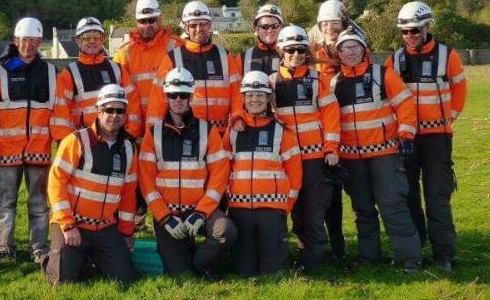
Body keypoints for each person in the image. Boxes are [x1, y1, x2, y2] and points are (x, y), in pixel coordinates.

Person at [333, 27, 423, 272]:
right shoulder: (333, 83)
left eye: (355, 47)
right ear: (338, 53)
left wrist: (406, 136)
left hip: (384, 154)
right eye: (345, 48)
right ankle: (368, 257)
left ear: (364, 50)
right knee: (362, 208)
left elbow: (405, 104)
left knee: (392, 204)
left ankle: (410, 259)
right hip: (351, 157)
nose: (350, 52)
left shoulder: (383, 74)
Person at [387, 1, 467, 272]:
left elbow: (459, 91)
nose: (410, 35)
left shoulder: (447, 56)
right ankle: (416, 247)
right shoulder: (395, 60)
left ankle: (444, 253)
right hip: (405, 138)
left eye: (415, 30)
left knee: (437, 196)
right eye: (405, 31)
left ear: (427, 27)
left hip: (437, 138)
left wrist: (447, 119)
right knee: (407, 195)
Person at [139, 68, 236, 280]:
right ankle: (189, 262)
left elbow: (219, 175)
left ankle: (200, 263)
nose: (178, 100)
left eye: (183, 95)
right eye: (173, 95)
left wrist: (201, 212)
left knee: (225, 231)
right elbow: (146, 182)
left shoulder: (206, 130)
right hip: (169, 214)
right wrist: (164, 217)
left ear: (191, 96)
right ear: (166, 96)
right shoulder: (153, 133)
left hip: (200, 210)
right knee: (180, 275)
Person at [0, 17, 56, 263]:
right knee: (4, 202)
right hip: (5, 150)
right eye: (24, 40)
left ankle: (39, 249)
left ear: (40, 42)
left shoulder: (52, 73)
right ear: (16, 41)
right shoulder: (1, 72)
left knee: (39, 205)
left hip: (39, 149)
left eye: (33, 41)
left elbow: (59, 110)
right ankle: (4, 247)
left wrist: (62, 142)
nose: (28, 45)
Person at [45, 84, 138, 285]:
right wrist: (68, 225)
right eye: (109, 110)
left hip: (105, 228)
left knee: (125, 279)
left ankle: (82, 258)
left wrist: (127, 233)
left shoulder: (129, 149)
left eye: (120, 110)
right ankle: (53, 257)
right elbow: (56, 182)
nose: (115, 115)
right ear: (98, 110)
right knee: (62, 282)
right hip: (73, 224)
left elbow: (129, 196)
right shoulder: (77, 140)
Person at [270, 25, 341, 272]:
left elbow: (331, 114)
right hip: (284, 160)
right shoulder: (270, 83)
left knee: (312, 210)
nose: (296, 55)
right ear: (280, 49)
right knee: (292, 209)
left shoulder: (317, 80)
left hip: (313, 157)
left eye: (301, 50)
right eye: (290, 50)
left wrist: (331, 148)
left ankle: (312, 260)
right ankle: (298, 251)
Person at [225, 70, 302, 276]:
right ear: (243, 98)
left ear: (269, 98)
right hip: (239, 208)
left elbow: (295, 172)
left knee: (273, 271)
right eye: (249, 95)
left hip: (272, 208)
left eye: (260, 95)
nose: (255, 99)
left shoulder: (282, 130)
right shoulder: (233, 130)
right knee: (245, 271)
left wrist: (287, 206)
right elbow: (222, 167)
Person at [148, 0, 241, 135]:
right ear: (186, 27)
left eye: (203, 24)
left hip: (221, 134)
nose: (199, 29)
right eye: (193, 25)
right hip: (186, 134)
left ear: (210, 25)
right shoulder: (173, 58)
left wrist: (238, 117)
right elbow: (158, 101)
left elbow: (237, 93)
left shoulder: (224, 56)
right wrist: (154, 136)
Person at [52, 16, 141, 141]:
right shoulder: (69, 73)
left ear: (102, 40)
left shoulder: (116, 69)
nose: (92, 41)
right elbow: (61, 114)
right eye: (87, 38)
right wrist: (72, 145)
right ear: (78, 41)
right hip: (85, 144)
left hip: (117, 140)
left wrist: (129, 135)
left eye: (96, 38)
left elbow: (132, 103)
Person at [310, 0, 350, 261]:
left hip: (346, 133)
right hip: (317, 135)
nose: (330, 28)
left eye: (334, 23)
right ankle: (317, 245)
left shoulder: (352, 49)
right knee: (318, 195)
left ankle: (338, 247)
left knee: (335, 196)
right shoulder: (312, 52)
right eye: (325, 23)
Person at [113, 0, 183, 124]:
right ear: (136, 22)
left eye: (151, 20)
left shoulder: (176, 46)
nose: (147, 25)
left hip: (168, 122)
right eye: (142, 21)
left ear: (159, 20)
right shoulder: (125, 51)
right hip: (135, 123)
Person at [241, 3, 283, 75]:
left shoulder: (290, 53)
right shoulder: (242, 57)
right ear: (256, 28)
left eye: (275, 26)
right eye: (264, 26)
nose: (270, 30)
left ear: (281, 27)